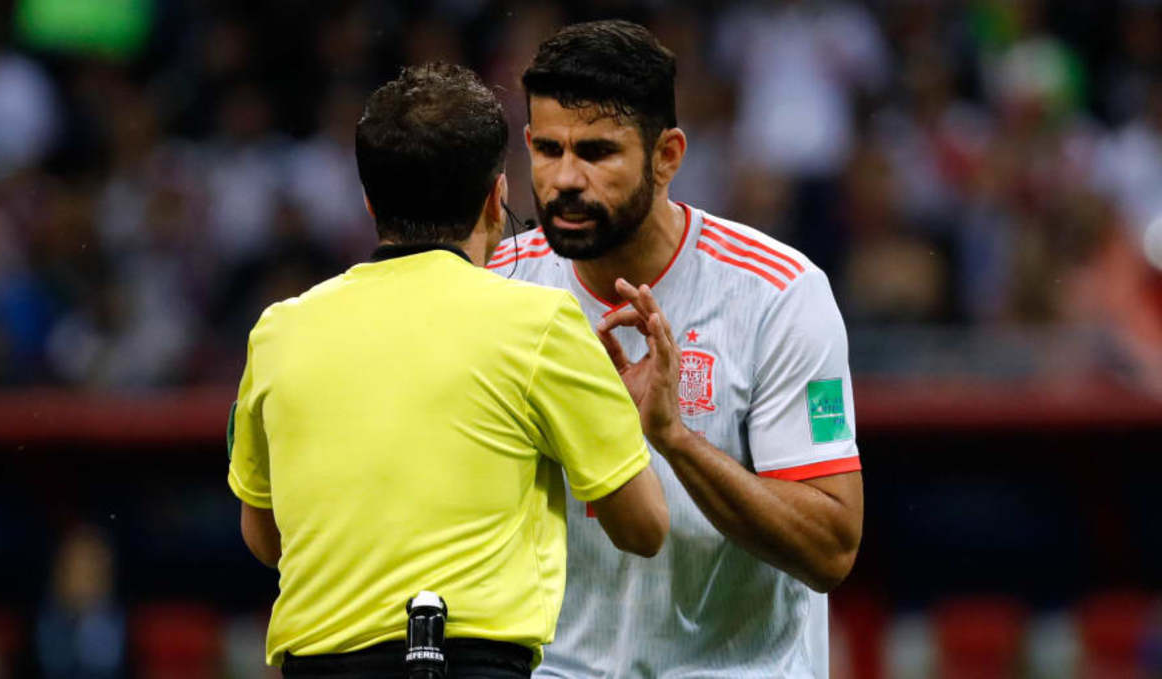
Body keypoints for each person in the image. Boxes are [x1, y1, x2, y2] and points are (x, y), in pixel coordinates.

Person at [226, 62, 669, 678]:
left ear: (369, 200)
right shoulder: (540, 322)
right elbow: (644, 529)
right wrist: (634, 425)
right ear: (495, 198)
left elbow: (266, 538)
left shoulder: (278, 332)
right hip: (471, 664)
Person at [487, 21, 863, 677]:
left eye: (597, 153)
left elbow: (830, 547)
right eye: (548, 149)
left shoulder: (781, 295)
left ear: (667, 156)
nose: (565, 179)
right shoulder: (495, 287)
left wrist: (674, 437)